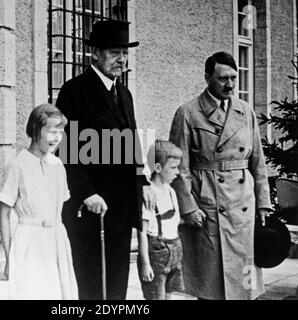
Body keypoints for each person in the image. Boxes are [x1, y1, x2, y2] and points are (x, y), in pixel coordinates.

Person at [56, 20, 155, 300]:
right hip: (91, 208)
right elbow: (65, 148)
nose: (121, 59)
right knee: (91, 282)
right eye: (114, 52)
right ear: (95, 54)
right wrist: (85, 192)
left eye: (124, 53)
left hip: (122, 206)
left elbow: (131, 143)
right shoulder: (74, 91)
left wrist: (143, 181)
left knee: (116, 283)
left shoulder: (124, 93)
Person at [169, 51, 272, 300]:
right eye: (223, 78)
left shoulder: (245, 112)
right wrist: (188, 207)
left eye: (234, 78)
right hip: (208, 203)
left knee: (243, 281)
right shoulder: (188, 112)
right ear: (208, 78)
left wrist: (263, 203)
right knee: (210, 282)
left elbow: (257, 161)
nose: (230, 85)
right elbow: (178, 166)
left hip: (242, 203)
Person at [0, 104, 78, 300]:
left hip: (56, 241)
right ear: (35, 130)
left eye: (60, 132)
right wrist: (9, 258)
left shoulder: (58, 165)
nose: (56, 137)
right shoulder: (18, 164)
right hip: (29, 243)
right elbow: (4, 215)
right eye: (51, 131)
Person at [137, 140, 185, 300]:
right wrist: (145, 264)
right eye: (173, 167)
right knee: (156, 297)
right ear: (157, 168)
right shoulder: (149, 194)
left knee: (170, 295)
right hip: (156, 254)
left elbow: (175, 221)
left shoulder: (170, 191)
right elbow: (142, 232)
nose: (177, 172)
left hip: (174, 251)